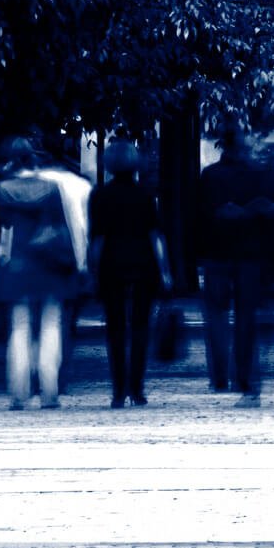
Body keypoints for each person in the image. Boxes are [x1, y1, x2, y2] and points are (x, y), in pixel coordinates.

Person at [195, 124, 274, 404]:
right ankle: (243, 374)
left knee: (216, 316)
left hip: (217, 253)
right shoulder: (258, 176)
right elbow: (268, 216)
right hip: (250, 255)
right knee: (246, 317)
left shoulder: (210, 176)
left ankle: (219, 376)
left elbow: (202, 216)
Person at [0, 138, 80, 410]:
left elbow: (4, 232)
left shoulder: (1, 190)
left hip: (17, 264)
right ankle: (50, 391)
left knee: (19, 328)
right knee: (52, 326)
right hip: (49, 265)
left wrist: (1, 262)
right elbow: (62, 227)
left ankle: (19, 393)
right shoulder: (53, 188)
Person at [89, 140, 171, 408]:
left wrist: (92, 271)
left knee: (114, 329)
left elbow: (98, 238)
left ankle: (117, 390)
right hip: (143, 264)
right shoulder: (145, 195)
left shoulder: (100, 196)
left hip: (111, 265)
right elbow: (155, 235)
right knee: (139, 329)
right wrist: (165, 271)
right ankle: (137, 388)